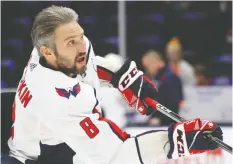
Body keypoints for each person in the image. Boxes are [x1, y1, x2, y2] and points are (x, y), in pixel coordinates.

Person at [5, 5, 223, 164]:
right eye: (72, 42)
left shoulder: (52, 50)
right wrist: (176, 141)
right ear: (48, 52)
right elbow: (117, 154)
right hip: (40, 158)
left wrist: (123, 76)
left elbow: (90, 62)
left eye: (81, 36)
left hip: (58, 143)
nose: (82, 46)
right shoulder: (55, 99)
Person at [141, 50, 183, 126]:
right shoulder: (158, 77)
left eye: (147, 66)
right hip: (158, 122)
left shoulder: (171, 78)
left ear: (155, 62)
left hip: (167, 124)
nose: (147, 70)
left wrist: (160, 119)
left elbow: (174, 104)